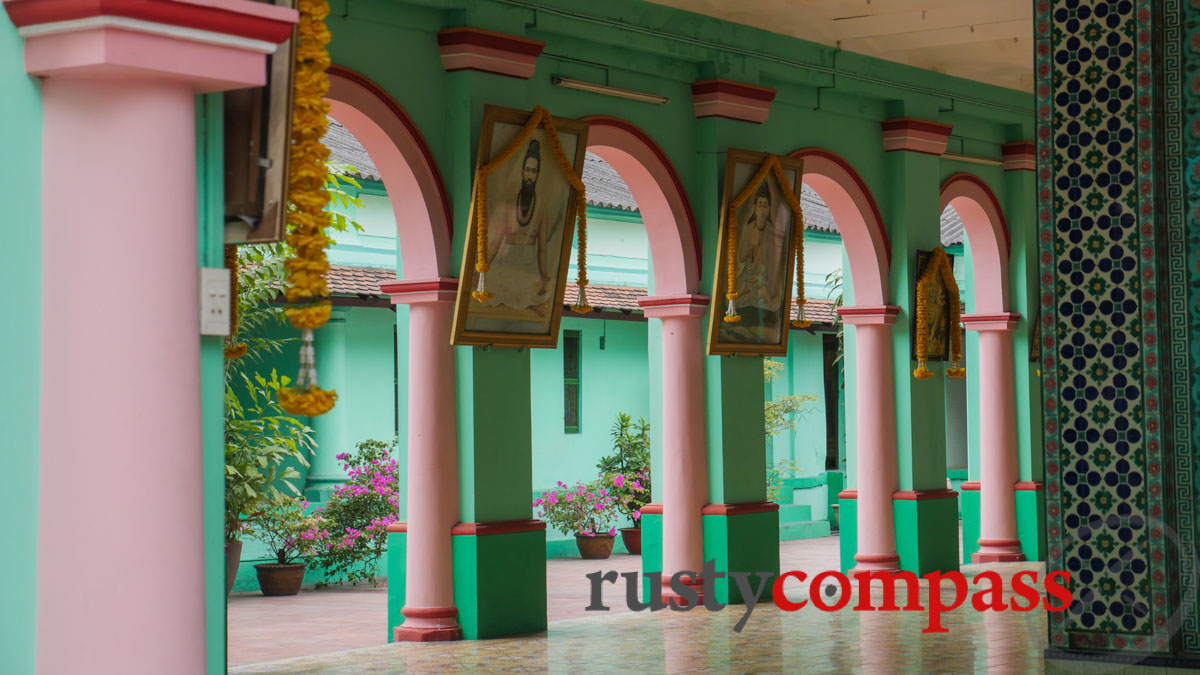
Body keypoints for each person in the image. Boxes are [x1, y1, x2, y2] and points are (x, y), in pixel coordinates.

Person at [478, 139, 554, 316]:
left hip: (527, 270)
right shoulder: (510, 204)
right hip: (506, 267)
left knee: (543, 290)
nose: (530, 176)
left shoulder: (543, 209)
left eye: (533, 172)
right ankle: (528, 304)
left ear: (538, 175)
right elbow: (496, 243)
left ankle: (530, 302)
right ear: (522, 172)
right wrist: (481, 270)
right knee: (487, 288)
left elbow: (542, 249)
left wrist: (544, 277)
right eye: (527, 170)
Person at [734, 180, 783, 336]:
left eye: (765, 206)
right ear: (754, 207)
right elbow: (741, 257)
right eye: (759, 205)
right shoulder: (749, 228)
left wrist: (761, 276)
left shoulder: (771, 231)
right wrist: (750, 246)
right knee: (738, 293)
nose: (762, 209)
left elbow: (773, 263)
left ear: (769, 209)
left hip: (764, 277)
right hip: (748, 274)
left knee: (766, 294)